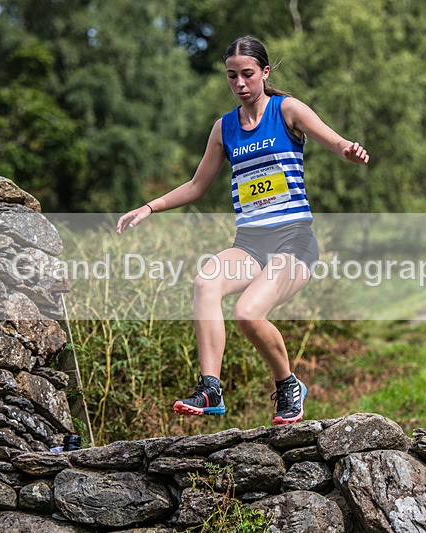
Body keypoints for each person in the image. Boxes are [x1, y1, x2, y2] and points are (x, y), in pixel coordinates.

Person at [116, 35, 369, 425]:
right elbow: (198, 186)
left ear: (265, 73)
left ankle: (288, 385)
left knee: (248, 313)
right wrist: (150, 206)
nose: (240, 83)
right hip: (250, 244)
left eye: (248, 74)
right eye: (232, 76)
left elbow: (334, 141)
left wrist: (348, 150)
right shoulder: (224, 128)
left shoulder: (287, 110)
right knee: (205, 282)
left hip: (294, 240)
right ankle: (210, 389)